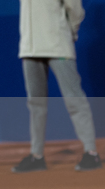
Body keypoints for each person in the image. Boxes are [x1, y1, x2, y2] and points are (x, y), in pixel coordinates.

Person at [12, 0, 102, 173]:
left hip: (58, 46)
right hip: (29, 50)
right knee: (36, 104)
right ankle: (36, 156)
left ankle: (91, 153)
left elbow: (76, 9)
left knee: (74, 99)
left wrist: (70, 33)